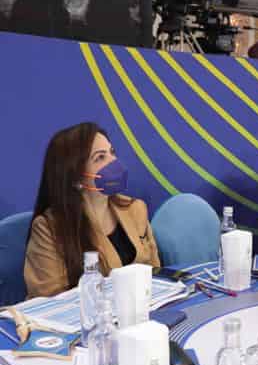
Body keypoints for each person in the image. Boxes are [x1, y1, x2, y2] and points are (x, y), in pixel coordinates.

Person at [24, 122, 160, 298]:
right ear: (75, 176)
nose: (113, 162)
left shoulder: (135, 209)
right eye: (100, 157)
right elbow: (50, 299)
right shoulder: (49, 229)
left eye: (112, 152)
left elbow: (155, 273)